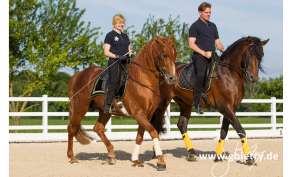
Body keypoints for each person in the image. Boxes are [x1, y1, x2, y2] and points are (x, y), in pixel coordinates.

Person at [188, 2, 225, 114]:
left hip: (213, 55)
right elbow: (191, 44)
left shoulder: (213, 26)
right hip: (200, 56)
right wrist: (203, 53)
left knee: (224, 71)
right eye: (206, 12)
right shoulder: (194, 26)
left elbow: (217, 43)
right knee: (201, 74)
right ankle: (197, 102)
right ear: (200, 12)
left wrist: (223, 49)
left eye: (210, 12)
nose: (209, 14)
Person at [103, 14, 132, 113]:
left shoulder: (125, 36)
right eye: (119, 22)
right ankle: (108, 104)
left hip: (126, 62)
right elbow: (106, 52)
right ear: (114, 24)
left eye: (122, 23)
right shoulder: (109, 35)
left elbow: (129, 49)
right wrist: (118, 56)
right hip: (114, 62)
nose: (121, 24)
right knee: (115, 80)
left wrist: (130, 54)